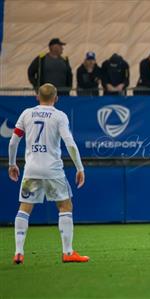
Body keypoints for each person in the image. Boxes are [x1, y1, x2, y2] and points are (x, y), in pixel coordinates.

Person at [8, 83, 89, 264]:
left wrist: (12, 164)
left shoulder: (26, 114)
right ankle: (68, 252)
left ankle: (18, 251)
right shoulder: (59, 116)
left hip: (31, 170)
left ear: (37, 96)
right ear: (56, 98)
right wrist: (80, 168)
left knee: (24, 208)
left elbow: (13, 142)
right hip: (53, 170)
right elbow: (70, 143)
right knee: (65, 206)